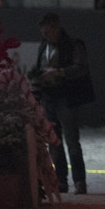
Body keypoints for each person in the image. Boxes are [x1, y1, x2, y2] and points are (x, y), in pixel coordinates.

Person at [29, 12, 94, 194]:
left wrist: (58, 73)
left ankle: (79, 181)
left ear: (57, 28)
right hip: (50, 97)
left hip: (66, 97)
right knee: (54, 141)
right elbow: (40, 67)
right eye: (44, 34)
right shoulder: (45, 46)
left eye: (49, 32)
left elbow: (81, 68)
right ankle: (62, 181)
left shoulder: (74, 45)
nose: (46, 37)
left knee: (71, 140)